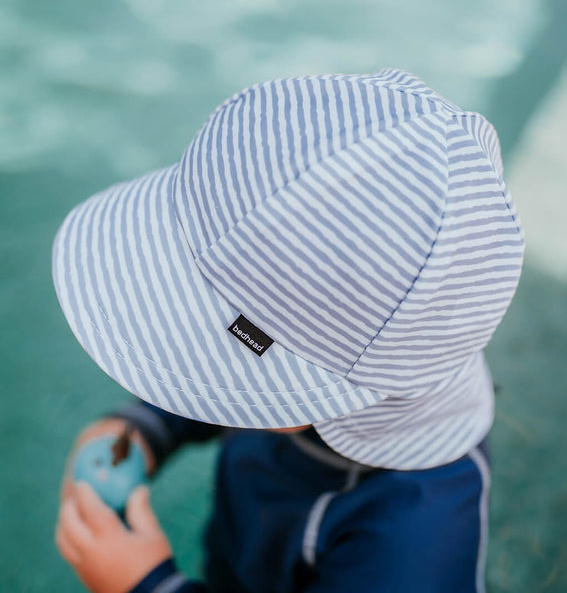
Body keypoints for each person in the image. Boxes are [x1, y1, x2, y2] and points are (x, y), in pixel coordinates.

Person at [53, 69, 525, 593]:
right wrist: (146, 428)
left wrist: (148, 585)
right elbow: (232, 353)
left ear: (334, 395)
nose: (201, 354)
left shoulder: (412, 546)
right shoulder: (325, 354)